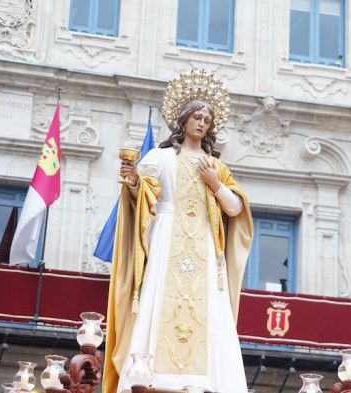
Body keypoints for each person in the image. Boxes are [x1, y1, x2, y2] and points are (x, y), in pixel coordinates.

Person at [103, 71, 254, 393]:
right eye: (197, 117)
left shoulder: (216, 167)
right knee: (159, 299)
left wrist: (215, 185)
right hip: (167, 234)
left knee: (208, 309)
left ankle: (208, 380)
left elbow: (236, 209)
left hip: (203, 242)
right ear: (183, 120)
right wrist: (131, 179)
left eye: (207, 120)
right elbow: (141, 191)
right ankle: (148, 374)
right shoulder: (162, 157)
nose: (202, 123)